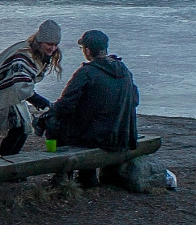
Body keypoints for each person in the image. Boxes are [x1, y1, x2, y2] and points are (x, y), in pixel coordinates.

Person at [40, 30, 140, 187]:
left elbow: (65, 104)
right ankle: (87, 175)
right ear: (105, 49)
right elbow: (135, 100)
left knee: (54, 122)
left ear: (87, 51)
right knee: (89, 123)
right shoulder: (124, 70)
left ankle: (64, 176)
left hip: (96, 138)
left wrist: (46, 116)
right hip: (121, 134)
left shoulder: (86, 72)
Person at [0, 20, 64, 155]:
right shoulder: (23, 55)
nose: (52, 48)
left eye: (55, 45)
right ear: (40, 41)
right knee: (19, 125)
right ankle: (6, 164)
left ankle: (11, 163)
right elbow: (21, 86)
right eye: (49, 44)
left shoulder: (39, 55)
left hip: (7, 94)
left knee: (24, 127)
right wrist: (41, 102)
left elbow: (22, 85)